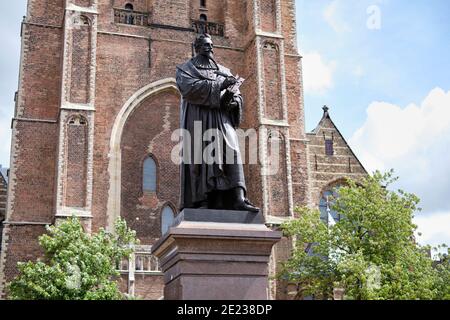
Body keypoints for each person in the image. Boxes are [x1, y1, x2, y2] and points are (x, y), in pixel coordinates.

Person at [176, 33, 259, 212]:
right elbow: (189, 89)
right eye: (206, 45)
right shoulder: (186, 69)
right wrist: (220, 86)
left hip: (222, 118)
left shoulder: (224, 70)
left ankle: (238, 198)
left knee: (232, 151)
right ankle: (203, 201)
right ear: (197, 48)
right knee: (203, 158)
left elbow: (236, 95)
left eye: (212, 45)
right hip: (199, 118)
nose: (210, 48)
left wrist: (233, 97)